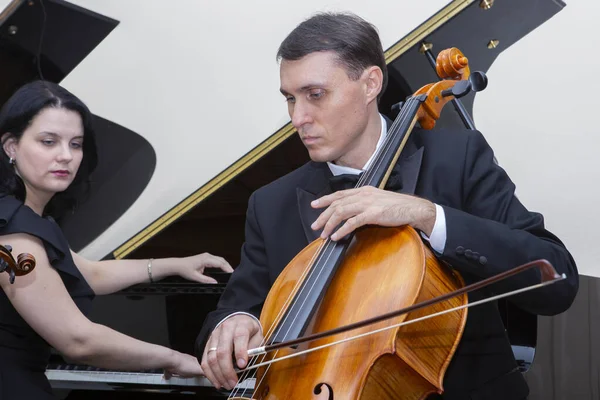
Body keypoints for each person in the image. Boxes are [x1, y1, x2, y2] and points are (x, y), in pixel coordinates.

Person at [195, 12, 579, 400]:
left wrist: (428, 215)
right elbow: (228, 314)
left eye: (315, 95)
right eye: (290, 99)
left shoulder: (457, 159)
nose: (298, 118)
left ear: (370, 84)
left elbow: (557, 280)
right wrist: (234, 323)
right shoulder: (270, 203)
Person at [0, 80, 234, 400]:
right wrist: (174, 358)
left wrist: (174, 263)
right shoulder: (15, 236)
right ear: (11, 147)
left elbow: (88, 273)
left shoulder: (27, 220)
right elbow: (77, 340)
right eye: (48, 141)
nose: (66, 156)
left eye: (76, 144)